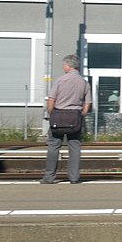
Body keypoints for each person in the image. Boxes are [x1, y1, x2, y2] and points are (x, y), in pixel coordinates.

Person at [41, 54, 92, 184]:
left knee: (53, 146)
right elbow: (87, 103)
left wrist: (51, 113)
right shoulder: (84, 82)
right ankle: (74, 178)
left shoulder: (60, 80)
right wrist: (82, 114)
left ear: (68, 66)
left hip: (58, 116)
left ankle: (49, 177)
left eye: (64, 65)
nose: (64, 67)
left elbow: (51, 99)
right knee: (74, 147)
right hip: (75, 117)